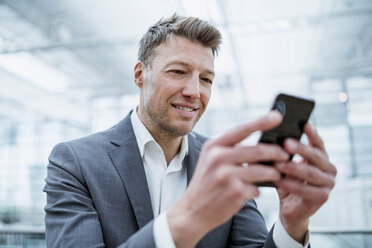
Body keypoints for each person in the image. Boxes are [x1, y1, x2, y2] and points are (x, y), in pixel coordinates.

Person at [44, 14, 337, 248]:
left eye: (206, 79)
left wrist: (292, 226)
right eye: (177, 72)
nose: (194, 92)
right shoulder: (75, 161)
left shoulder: (225, 164)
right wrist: (186, 222)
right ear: (139, 75)